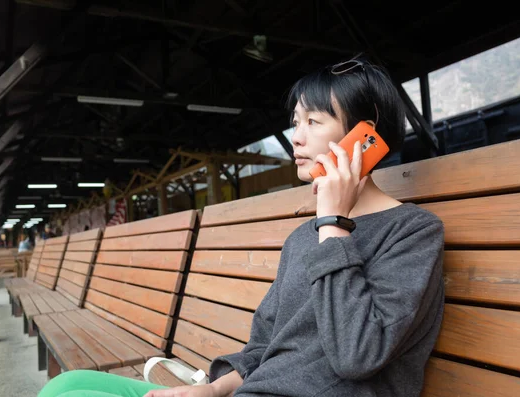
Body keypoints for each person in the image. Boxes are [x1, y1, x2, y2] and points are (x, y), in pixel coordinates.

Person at [37, 54, 445, 397]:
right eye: (295, 121)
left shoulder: (412, 233)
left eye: (314, 122)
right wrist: (212, 390)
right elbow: (266, 343)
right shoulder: (307, 235)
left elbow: (357, 355)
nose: (296, 139)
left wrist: (335, 223)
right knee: (66, 386)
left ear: (365, 136)